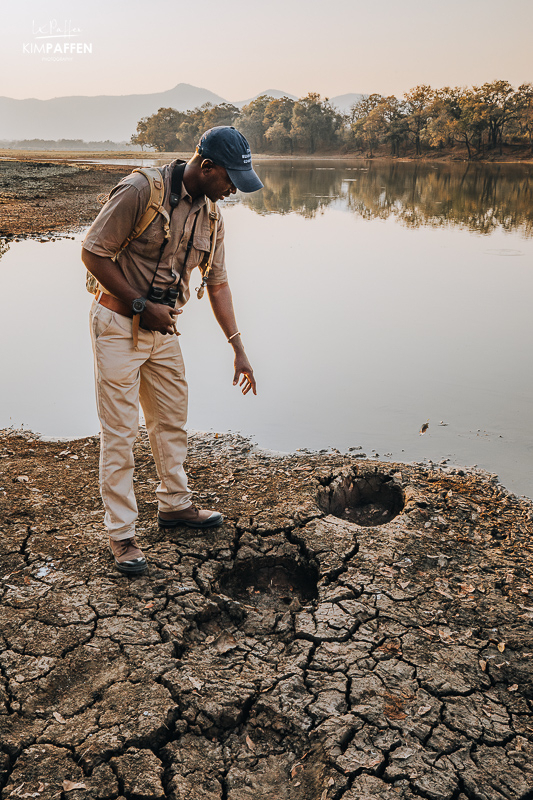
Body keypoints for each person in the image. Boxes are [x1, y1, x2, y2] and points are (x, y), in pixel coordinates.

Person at [81, 126, 263, 575]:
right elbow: (92, 253)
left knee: (170, 419)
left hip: (163, 332)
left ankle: (175, 506)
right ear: (206, 167)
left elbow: (217, 284)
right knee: (120, 433)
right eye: (229, 180)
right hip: (118, 324)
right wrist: (142, 305)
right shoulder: (142, 190)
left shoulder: (212, 217)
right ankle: (122, 535)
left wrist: (238, 348)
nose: (232, 190)